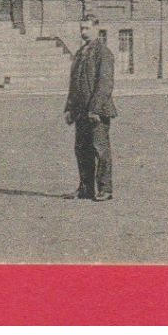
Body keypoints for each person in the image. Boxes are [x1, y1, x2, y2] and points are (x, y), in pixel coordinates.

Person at [65, 15, 117, 201]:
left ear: (97, 29)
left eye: (86, 28)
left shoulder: (103, 53)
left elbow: (104, 84)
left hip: (97, 111)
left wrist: (94, 109)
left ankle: (105, 189)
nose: (83, 32)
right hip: (81, 111)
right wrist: (69, 108)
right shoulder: (80, 53)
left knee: (100, 150)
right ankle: (85, 188)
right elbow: (74, 83)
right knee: (82, 149)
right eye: (81, 28)